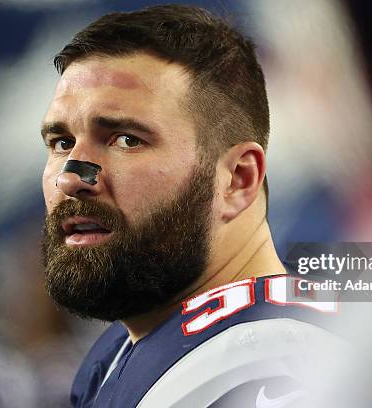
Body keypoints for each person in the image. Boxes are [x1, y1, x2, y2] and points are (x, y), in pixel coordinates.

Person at [39, 5, 341, 407]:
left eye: (126, 139)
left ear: (238, 179)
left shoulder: (282, 370)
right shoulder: (127, 348)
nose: (71, 177)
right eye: (62, 142)